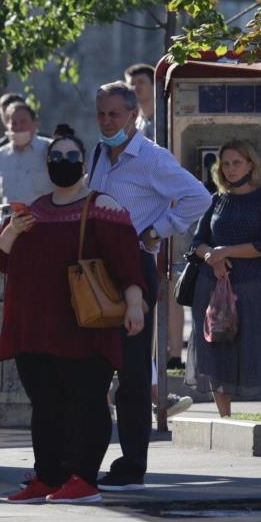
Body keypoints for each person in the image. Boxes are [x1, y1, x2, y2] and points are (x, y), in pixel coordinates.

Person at [0, 130, 147, 504]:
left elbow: (127, 264)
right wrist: (12, 231)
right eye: (56, 158)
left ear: (84, 164)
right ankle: (48, 477)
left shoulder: (104, 207)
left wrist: (135, 304)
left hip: (84, 328)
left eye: (71, 157)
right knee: (45, 404)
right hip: (34, 329)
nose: (63, 164)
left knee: (86, 402)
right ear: (47, 166)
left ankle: (84, 479)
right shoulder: (33, 210)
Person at [88, 81, 211, 491]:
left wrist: (157, 230)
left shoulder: (153, 159)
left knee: (133, 372)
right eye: (102, 114)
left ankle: (133, 463)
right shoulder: (99, 154)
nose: (107, 122)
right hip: (96, 270)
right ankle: (87, 458)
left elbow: (198, 197)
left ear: (133, 116)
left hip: (134, 269)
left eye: (114, 115)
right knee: (93, 369)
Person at [188, 139, 261, 417]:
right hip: (213, 288)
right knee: (218, 351)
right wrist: (211, 257)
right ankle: (225, 417)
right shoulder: (217, 200)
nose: (231, 169)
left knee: (255, 349)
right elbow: (196, 241)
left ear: (251, 164)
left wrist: (225, 252)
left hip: (253, 288)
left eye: (237, 163)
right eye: (226, 164)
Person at [0, 103, 53, 205]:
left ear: (35, 124)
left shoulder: (50, 149)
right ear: (7, 126)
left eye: (23, 122)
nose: (19, 127)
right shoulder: (0, 156)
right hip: (11, 219)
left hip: (43, 219)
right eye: (14, 123)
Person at [124, 63, 156, 142]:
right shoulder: (133, 123)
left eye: (141, 82)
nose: (135, 87)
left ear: (154, 85)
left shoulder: (169, 118)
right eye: (131, 84)